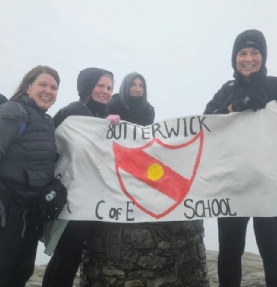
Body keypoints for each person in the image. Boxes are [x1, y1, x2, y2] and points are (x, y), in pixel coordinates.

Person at [80, 72, 210, 287]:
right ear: (125, 87)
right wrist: (106, 123)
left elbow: (145, 141)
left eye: (141, 85)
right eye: (133, 84)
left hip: (136, 164)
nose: (137, 88)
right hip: (112, 166)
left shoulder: (149, 110)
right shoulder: (113, 103)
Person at [204, 29, 277, 287]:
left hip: (270, 184)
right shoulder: (227, 90)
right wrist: (235, 106)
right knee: (230, 252)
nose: (248, 58)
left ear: (263, 56)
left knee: (273, 253)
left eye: (255, 52)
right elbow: (206, 122)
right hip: (233, 184)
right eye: (242, 53)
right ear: (234, 58)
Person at [42, 67, 119, 287]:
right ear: (88, 86)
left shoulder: (102, 116)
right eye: (100, 86)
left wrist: (107, 126)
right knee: (69, 256)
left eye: (109, 88)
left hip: (87, 197)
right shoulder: (72, 112)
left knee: (64, 255)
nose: (105, 91)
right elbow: (49, 148)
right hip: (67, 194)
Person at [0, 65, 63, 287]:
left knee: (22, 270)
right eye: (43, 84)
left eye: (54, 87)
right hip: (7, 210)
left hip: (30, 212)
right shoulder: (13, 112)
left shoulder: (46, 122)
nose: (48, 90)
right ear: (29, 87)